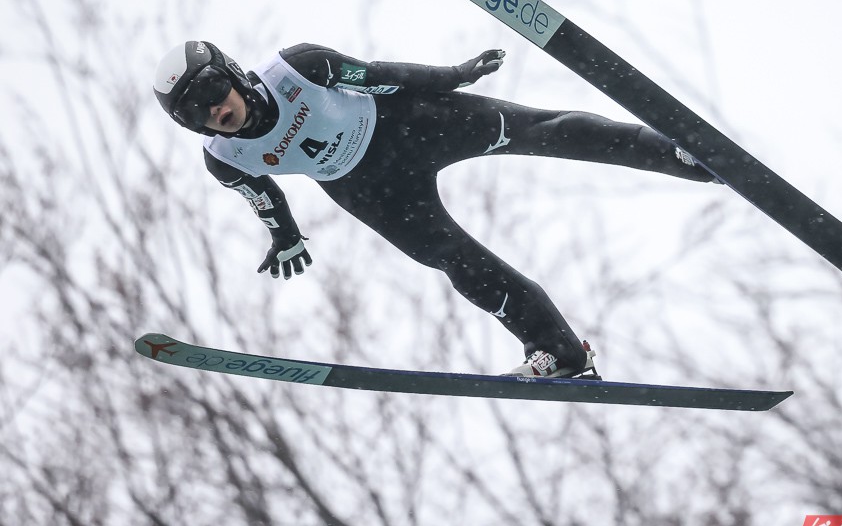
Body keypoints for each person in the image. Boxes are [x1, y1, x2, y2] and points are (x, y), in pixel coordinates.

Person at [152, 41, 716, 378]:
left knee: (543, 129)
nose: (214, 112)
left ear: (231, 73)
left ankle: (677, 154)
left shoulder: (298, 68)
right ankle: (557, 350)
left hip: (411, 125)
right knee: (458, 263)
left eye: (212, 92)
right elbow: (264, 198)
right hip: (370, 190)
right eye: (195, 113)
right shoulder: (225, 158)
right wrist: (285, 237)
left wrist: (455, 77)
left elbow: (379, 76)